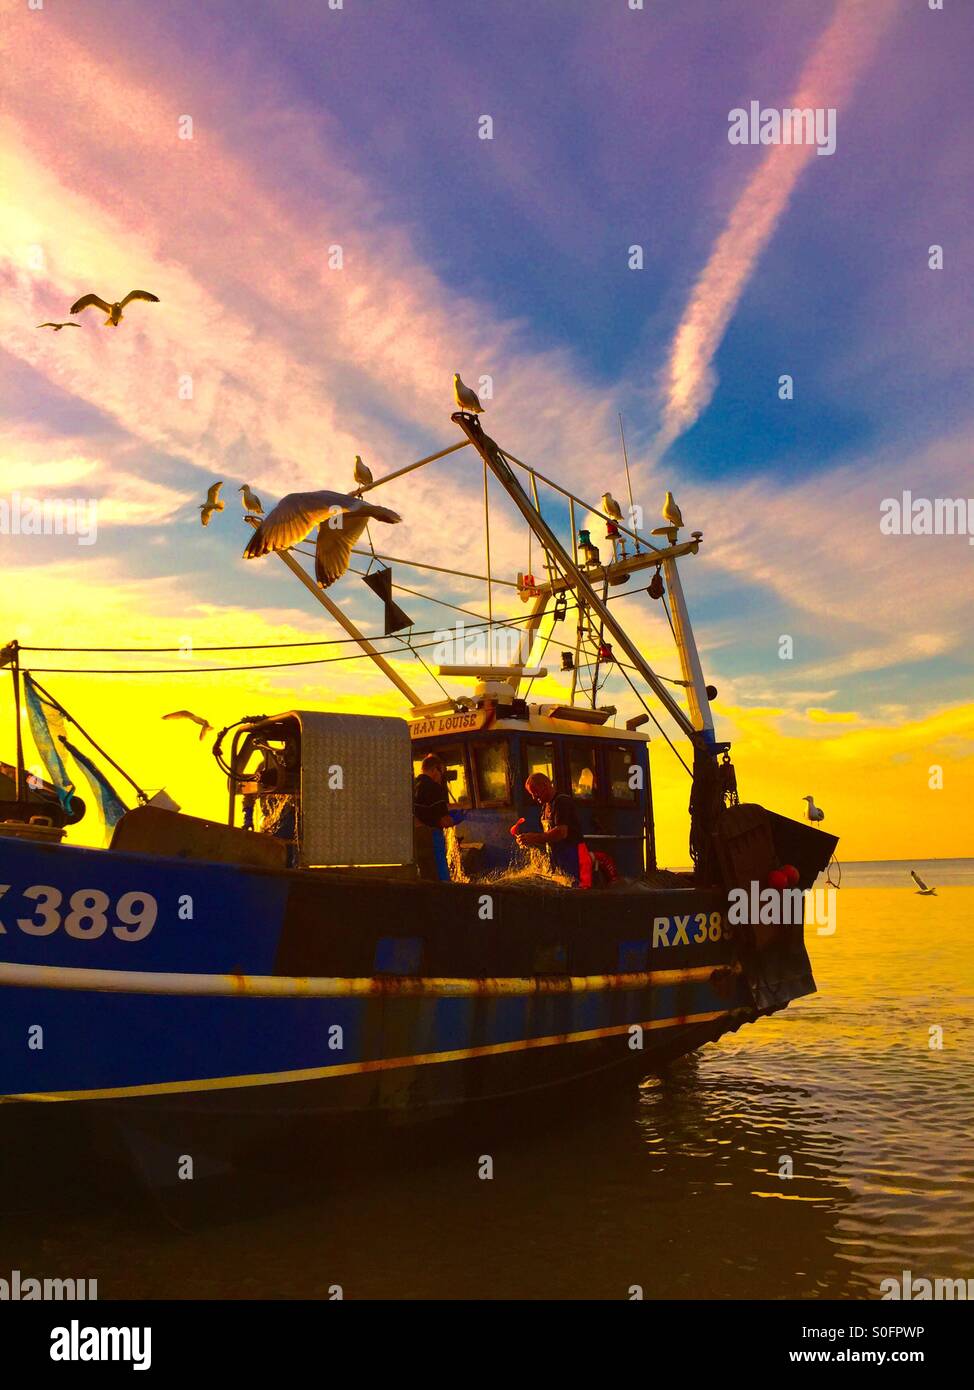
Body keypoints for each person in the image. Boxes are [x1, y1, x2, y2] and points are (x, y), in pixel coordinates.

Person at [516, 772, 595, 888]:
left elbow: (561, 832)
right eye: (531, 794)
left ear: (545, 785)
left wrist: (533, 837)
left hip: (575, 858)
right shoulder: (545, 807)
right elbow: (548, 837)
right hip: (558, 860)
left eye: (535, 792)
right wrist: (529, 841)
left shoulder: (562, 802)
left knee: (579, 894)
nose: (534, 797)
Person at [413, 753, 453, 881]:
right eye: (442, 772)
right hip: (432, 836)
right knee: (440, 873)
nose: (442, 777)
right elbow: (445, 821)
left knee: (426, 874)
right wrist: (457, 817)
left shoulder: (413, 785)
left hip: (414, 837)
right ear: (434, 769)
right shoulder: (434, 788)